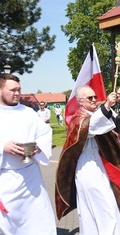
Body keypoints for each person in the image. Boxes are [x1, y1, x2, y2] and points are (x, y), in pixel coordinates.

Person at [55, 86, 120, 234]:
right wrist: (105, 107)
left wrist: (108, 110)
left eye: (94, 97)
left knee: (109, 202)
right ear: (80, 101)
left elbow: (115, 122)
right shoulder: (78, 117)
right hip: (87, 165)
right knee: (102, 204)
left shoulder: (93, 114)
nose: (94, 100)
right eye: (89, 98)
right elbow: (90, 128)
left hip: (99, 162)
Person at [0, 74, 56, 234]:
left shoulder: (28, 112)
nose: (17, 93)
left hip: (31, 178)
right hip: (5, 178)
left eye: (19, 90)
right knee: (8, 224)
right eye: (12, 90)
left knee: (39, 221)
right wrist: (3, 147)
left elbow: (44, 132)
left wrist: (39, 146)